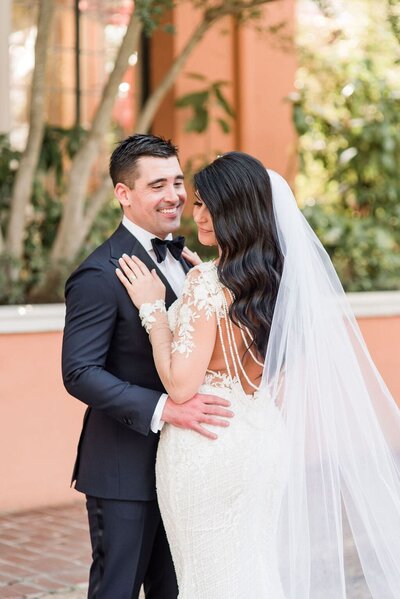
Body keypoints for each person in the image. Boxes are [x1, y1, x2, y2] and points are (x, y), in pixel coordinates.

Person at [117, 151, 400, 598]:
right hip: (263, 441)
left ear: (236, 210)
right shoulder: (277, 283)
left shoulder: (206, 285)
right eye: (199, 203)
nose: (200, 214)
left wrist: (154, 310)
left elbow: (180, 383)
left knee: (209, 579)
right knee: (254, 569)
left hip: (207, 445)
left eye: (211, 205)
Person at [61, 134, 233, 599]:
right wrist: (165, 408)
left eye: (178, 182)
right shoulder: (100, 273)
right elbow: (79, 371)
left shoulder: (192, 264)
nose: (174, 195)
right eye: (157, 185)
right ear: (124, 193)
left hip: (185, 467)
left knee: (175, 590)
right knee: (117, 590)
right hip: (123, 469)